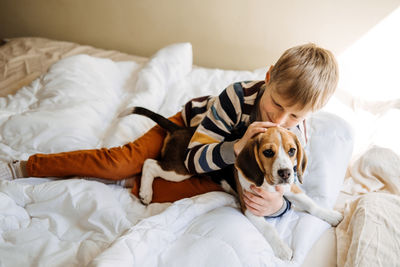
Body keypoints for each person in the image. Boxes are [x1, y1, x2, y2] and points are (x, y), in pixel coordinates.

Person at [0, 43, 338, 218]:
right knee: (119, 162)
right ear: (268, 78)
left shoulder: (295, 131)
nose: (281, 121)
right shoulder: (235, 98)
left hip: (219, 164)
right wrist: (235, 149)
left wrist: (276, 206)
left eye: (294, 116)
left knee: (217, 197)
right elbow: (192, 158)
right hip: (188, 132)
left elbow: (288, 182)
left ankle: (135, 181)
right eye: (277, 105)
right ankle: (27, 165)